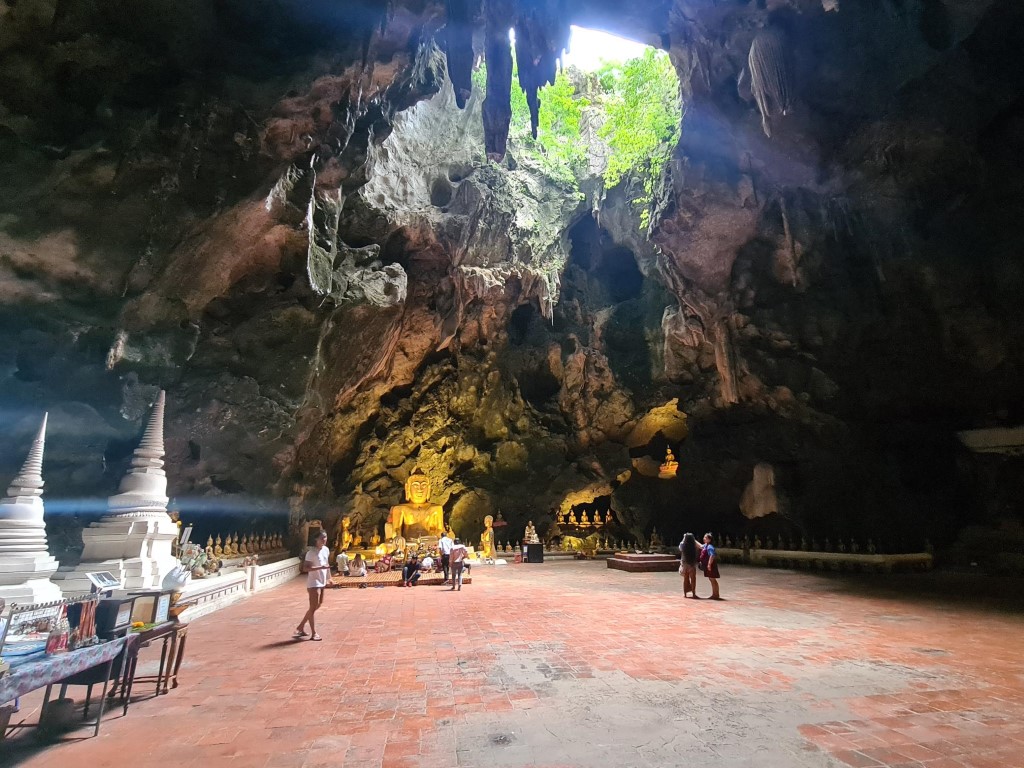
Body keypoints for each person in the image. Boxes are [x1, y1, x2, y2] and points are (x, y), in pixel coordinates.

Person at [295, 531, 330, 640]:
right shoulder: (311, 553)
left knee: (318, 605)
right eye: (321, 538)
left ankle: (300, 626)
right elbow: (305, 568)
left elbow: (327, 564)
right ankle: (314, 633)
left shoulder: (326, 550)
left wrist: (329, 578)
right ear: (316, 539)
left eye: (325, 537)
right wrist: (320, 568)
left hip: (322, 580)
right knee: (313, 607)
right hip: (313, 582)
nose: (324, 540)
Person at [679, 533, 699, 599]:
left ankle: (685, 594)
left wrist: (684, 537)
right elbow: (701, 546)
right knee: (693, 579)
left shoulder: (683, 545)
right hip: (692, 564)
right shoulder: (694, 545)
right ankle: (693, 593)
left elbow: (680, 547)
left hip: (685, 564)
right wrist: (693, 539)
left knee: (685, 579)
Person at [701, 532, 721, 600]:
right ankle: (715, 594)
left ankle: (716, 594)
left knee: (712, 579)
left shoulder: (710, 546)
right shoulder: (706, 545)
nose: (704, 539)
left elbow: (712, 555)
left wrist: (709, 564)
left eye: (705, 538)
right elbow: (700, 546)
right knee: (711, 579)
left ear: (709, 540)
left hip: (711, 565)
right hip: (709, 565)